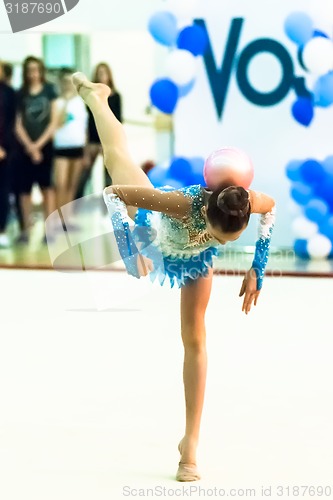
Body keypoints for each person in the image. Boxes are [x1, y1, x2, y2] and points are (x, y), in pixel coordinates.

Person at [72, 72, 276, 482]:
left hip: (193, 260)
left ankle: (191, 445)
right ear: (209, 214)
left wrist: (258, 266)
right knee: (116, 157)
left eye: (227, 239)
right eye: (220, 236)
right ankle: (96, 97)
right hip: (154, 226)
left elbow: (270, 211)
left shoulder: (246, 202)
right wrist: (129, 250)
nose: (220, 241)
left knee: (196, 338)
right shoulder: (181, 203)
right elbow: (113, 196)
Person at [15, 56, 58, 243]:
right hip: (25, 149)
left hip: (46, 148)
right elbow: (17, 124)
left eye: (36, 69)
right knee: (24, 189)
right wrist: (30, 147)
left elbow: (54, 122)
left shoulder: (50, 91)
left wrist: (39, 145)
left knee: (47, 188)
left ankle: (49, 231)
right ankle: (26, 228)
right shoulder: (21, 93)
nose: (33, 73)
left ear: (41, 71)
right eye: (30, 70)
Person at [75, 62, 122, 199]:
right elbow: (89, 120)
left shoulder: (116, 96)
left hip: (108, 140)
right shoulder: (92, 96)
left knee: (108, 175)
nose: (102, 76)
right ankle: (76, 204)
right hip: (93, 139)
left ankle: (109, 205)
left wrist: (110, 143)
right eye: (99, 73)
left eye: (104, 73)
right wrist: (87, 143)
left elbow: (117, 120)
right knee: (84, 174)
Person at [53, 68, 88, 226]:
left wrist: (86, 152)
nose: (68, 85)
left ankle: (67, 219)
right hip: (61, 147)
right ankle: (59, 217)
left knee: (73, 185)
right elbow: (58, 123)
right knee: (61, 183)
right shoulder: (57, 102)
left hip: (77, 146)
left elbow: (84, 128)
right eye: (65, 82)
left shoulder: (81, 103)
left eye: (70, 82)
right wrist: (66, 101)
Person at [0, 60, 16, 248]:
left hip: (5, 151)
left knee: (3, 191)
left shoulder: (9, 92)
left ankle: (2, 229)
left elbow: (10, 122)